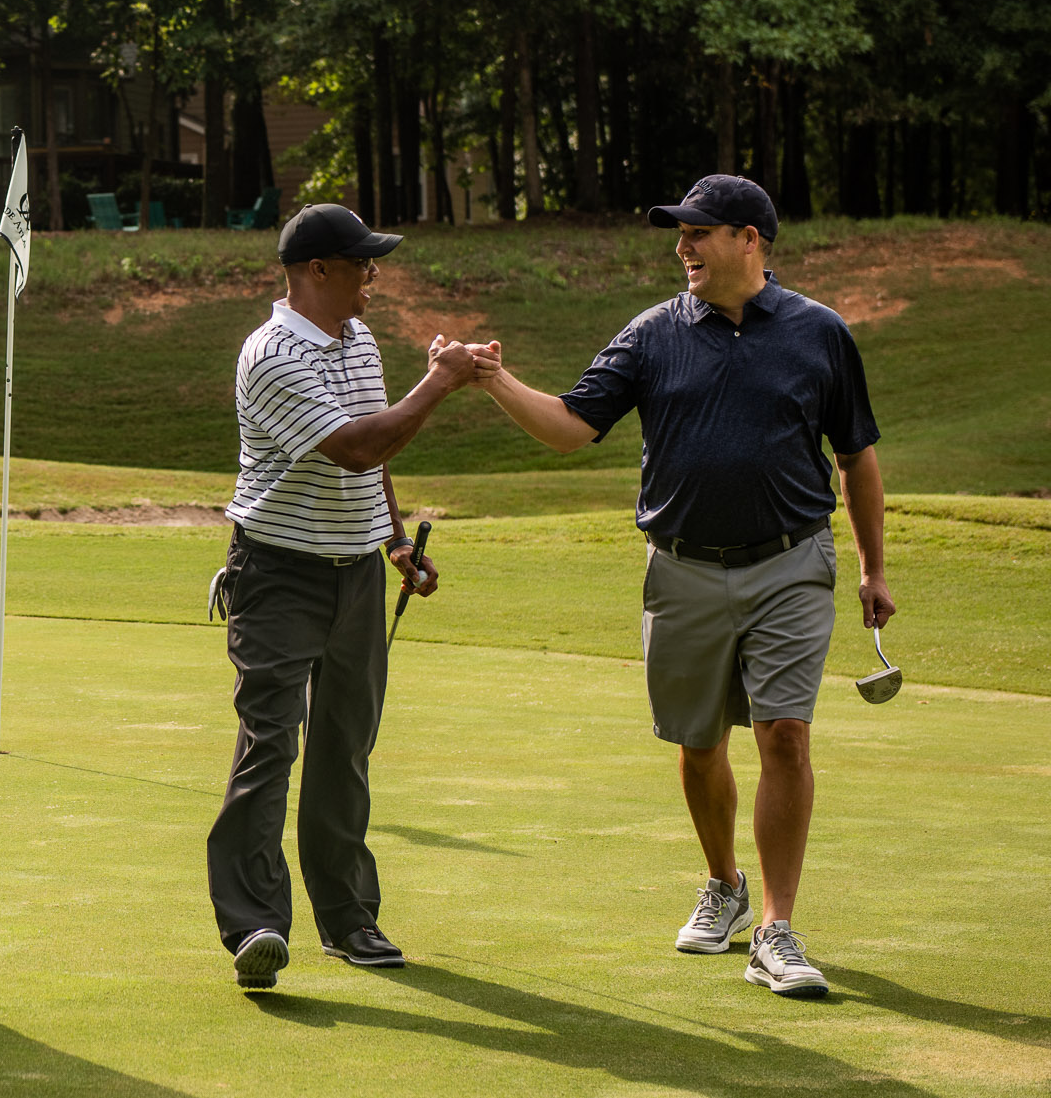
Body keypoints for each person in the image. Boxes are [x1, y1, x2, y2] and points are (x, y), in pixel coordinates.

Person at [467, 174, 893, 998]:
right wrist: (492, 379)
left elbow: (857, 455)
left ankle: (776, 928)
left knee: (784, 735)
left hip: (792, 561)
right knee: (700, 745)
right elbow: (572, 426)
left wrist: (875, 568)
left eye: (699, 231)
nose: (683, 246)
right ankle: (724, 883)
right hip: (682, 566)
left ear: (749, 239)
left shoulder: (820, 332)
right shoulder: (651, 334)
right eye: (680, 233)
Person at [208, 203, 491, 991]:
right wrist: (440, 380)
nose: (374, 273)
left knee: (344, 746)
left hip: (357, 570)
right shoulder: (270, 355)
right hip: (277, 571)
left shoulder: (357, 338)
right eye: (362, 261)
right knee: (271, 741)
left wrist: (394, 539)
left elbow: (379, 445)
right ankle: (255, 923)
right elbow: (356, 446)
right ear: (316, 270)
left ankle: (348, 918)